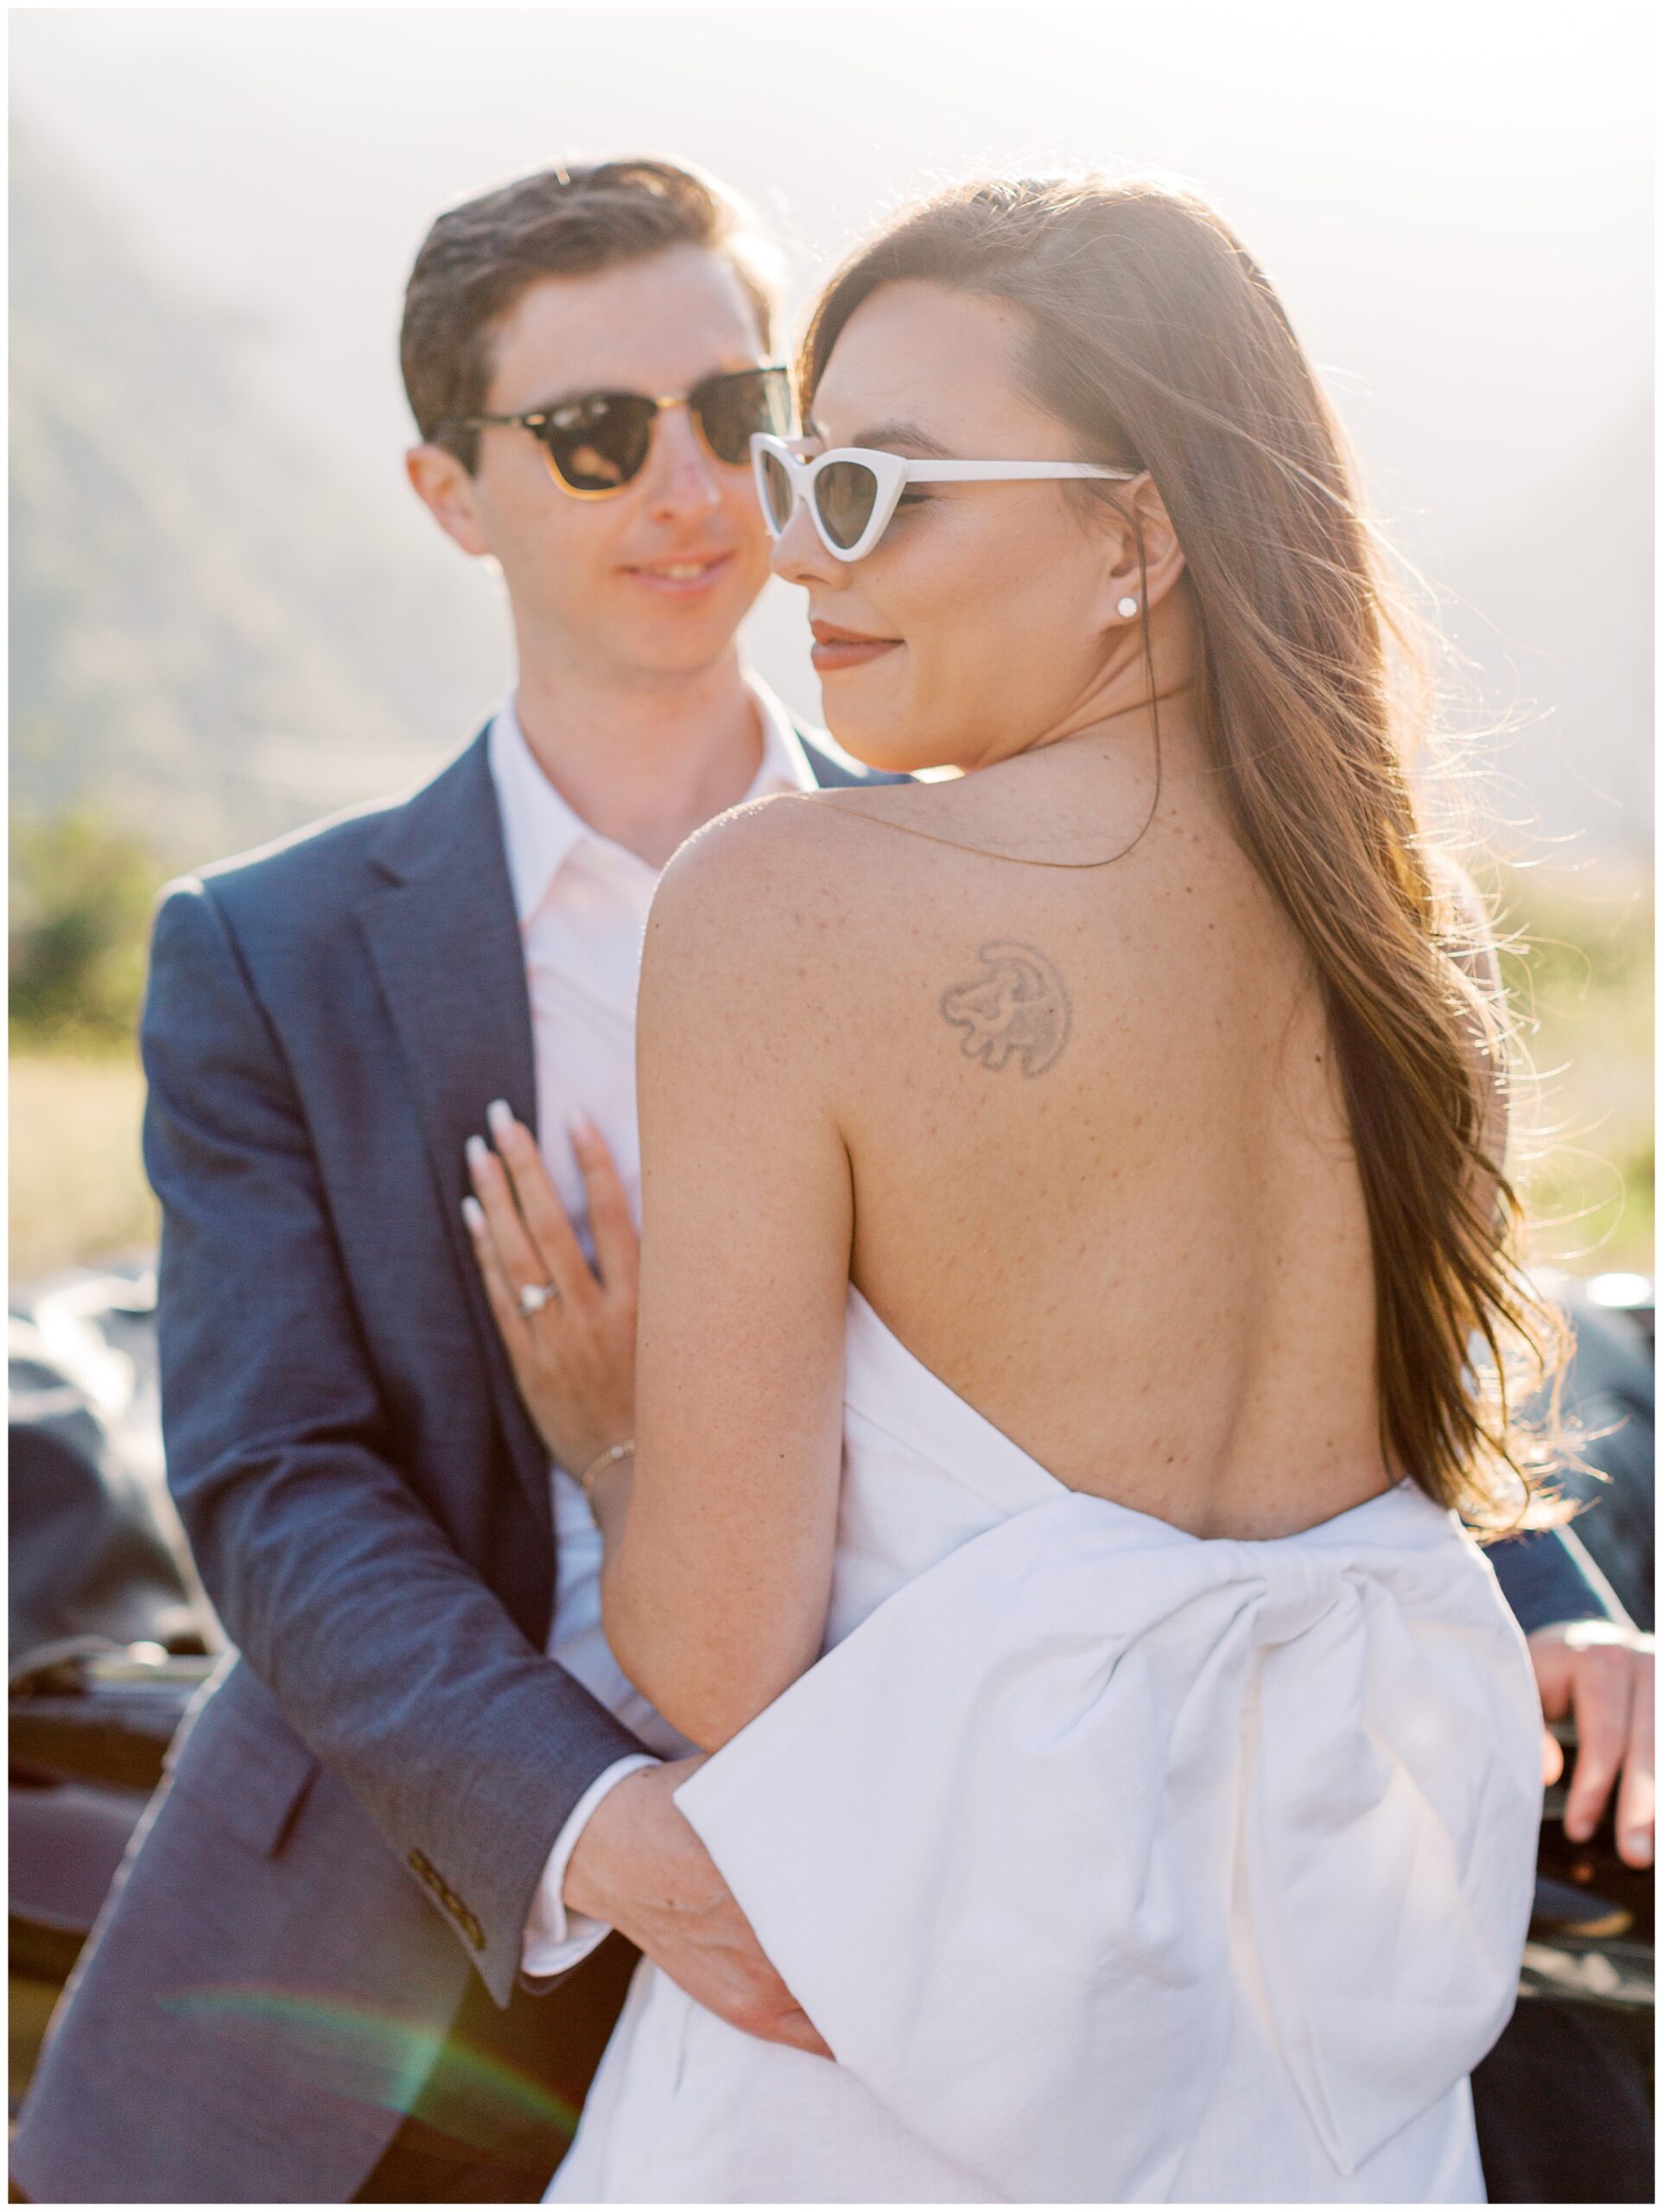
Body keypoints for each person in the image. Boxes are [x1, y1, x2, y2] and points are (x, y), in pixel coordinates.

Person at [457, 175, 1643, 2203]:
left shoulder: (783, 902)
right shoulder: (1403, 934)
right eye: (799, 474)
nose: (793, 552)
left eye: (887, 492)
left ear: (1138, 526)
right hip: (1316, 2093)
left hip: (887, 2079)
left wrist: (613, 1429)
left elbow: (723, 1663)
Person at [9, 156, 894, 2208]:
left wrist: (1548, 1598)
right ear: (447, 493)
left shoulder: (972, 875)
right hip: (388, 1934)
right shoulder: (270, 949)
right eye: (595, 436)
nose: (688, 486)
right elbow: (274, 1478)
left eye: (738, 411)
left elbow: (1230, 1321)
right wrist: (597, 1824)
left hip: (887, 1907)